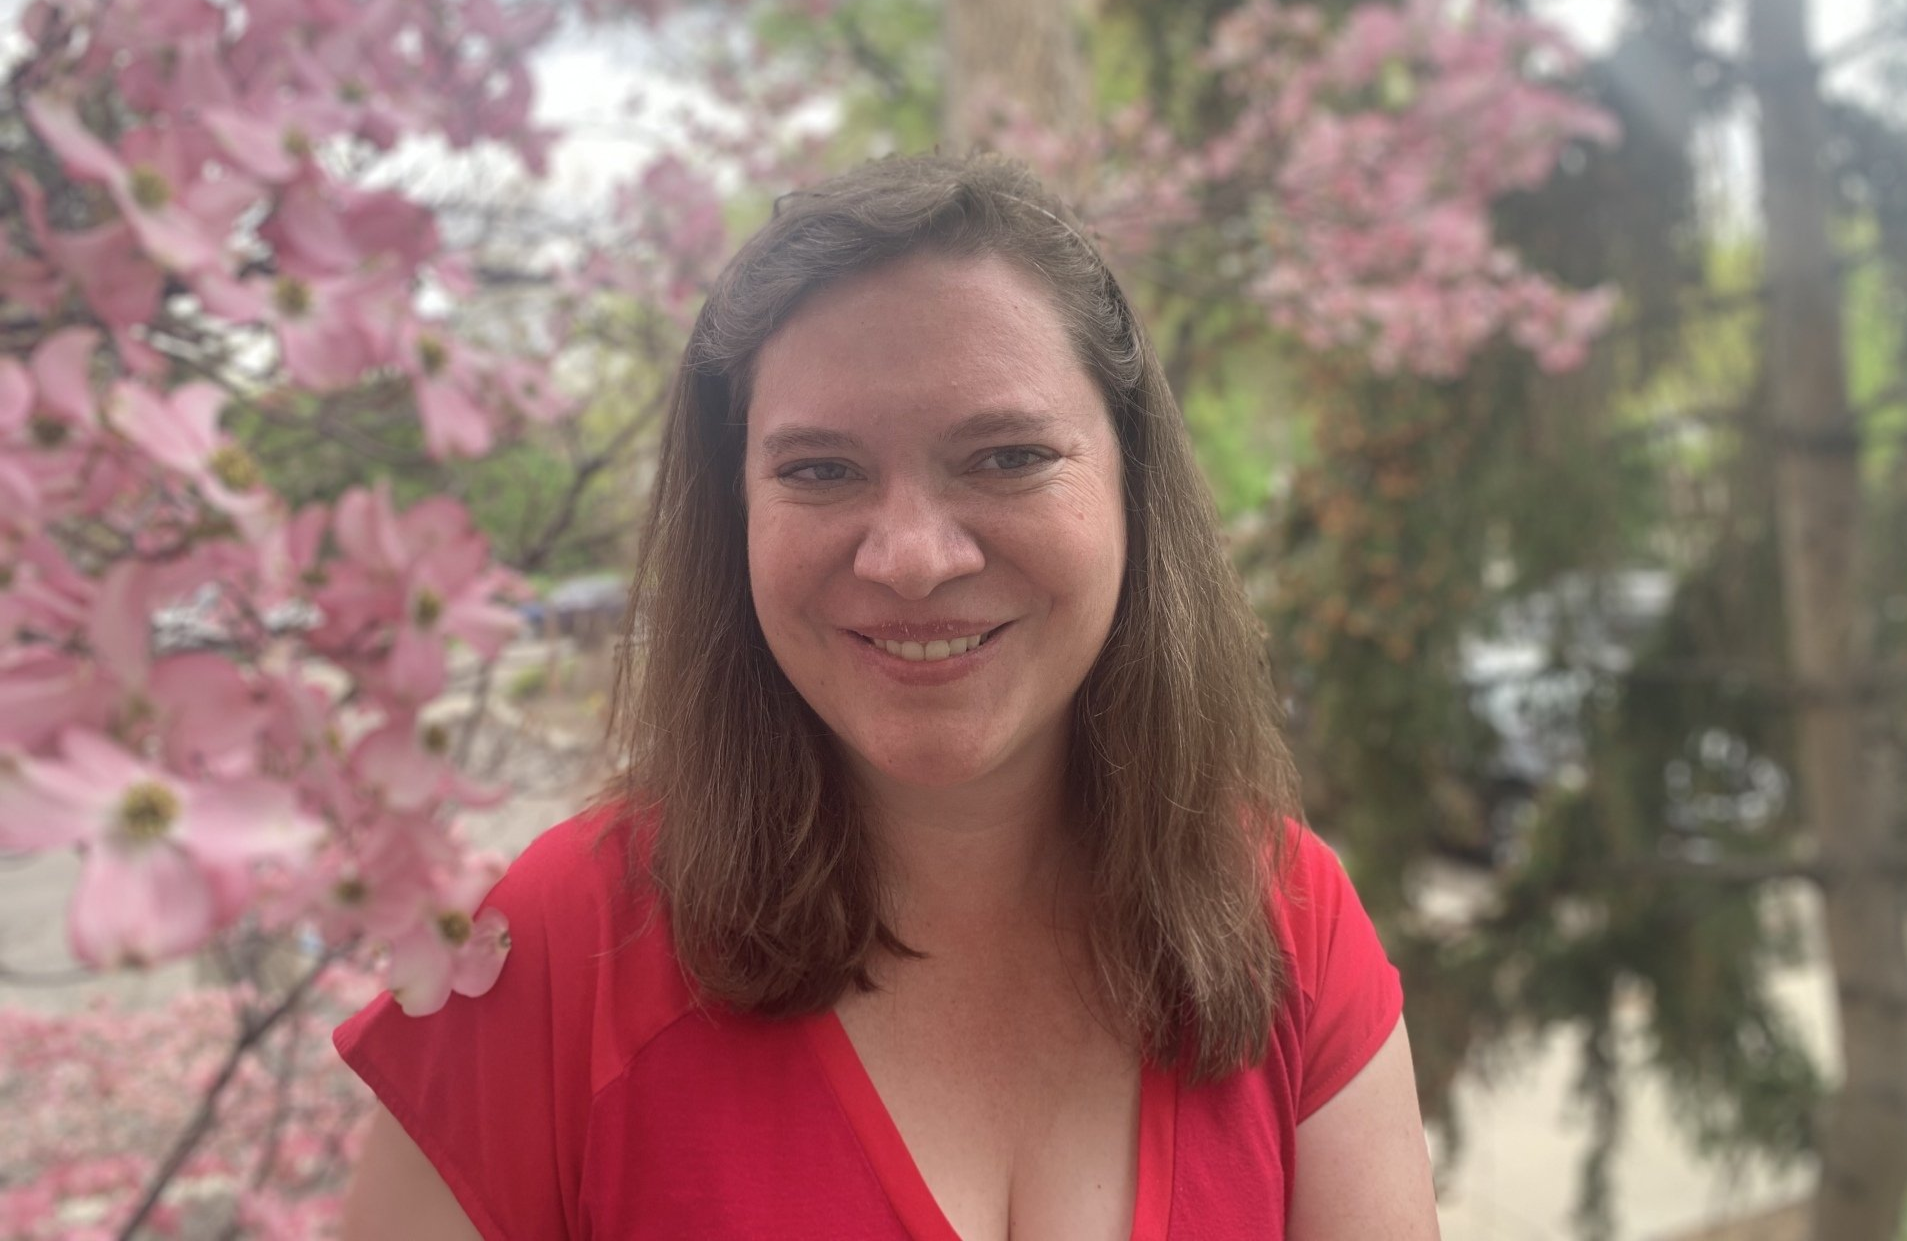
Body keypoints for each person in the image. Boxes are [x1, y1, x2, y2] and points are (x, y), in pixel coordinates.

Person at [335, 152, 1439, 1240]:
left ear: (1131, 483)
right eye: (820, 470)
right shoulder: (558, 952)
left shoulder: (1289, 919)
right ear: (737, 515)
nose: (912, 558)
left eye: (1006, 455)